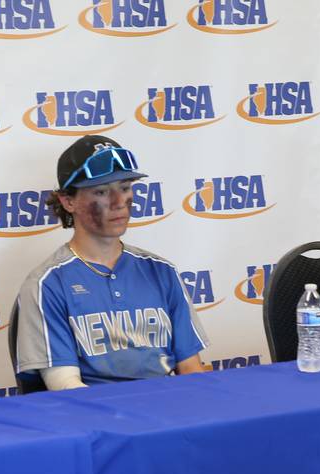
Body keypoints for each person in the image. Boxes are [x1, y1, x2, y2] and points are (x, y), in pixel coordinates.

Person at [14, 135, 208, 390]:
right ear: (68, 201)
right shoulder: (47, 284)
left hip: (169, 411)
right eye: (102, 191)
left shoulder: (161, 271)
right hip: (96, 418)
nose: (119, 203)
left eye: (125, 187)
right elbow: (65, 387)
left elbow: (192, 369)